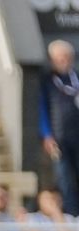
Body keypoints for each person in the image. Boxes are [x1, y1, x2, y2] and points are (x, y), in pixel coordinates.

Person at [41, 39, 79, 217]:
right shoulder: (48, 81)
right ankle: (71, 213)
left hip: (77, 135)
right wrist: (47, 134)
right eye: (58, 58)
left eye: (66, 57)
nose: (63, 61)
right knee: (64, 177)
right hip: (59, 137)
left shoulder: (76, 78)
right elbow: (43, 109)